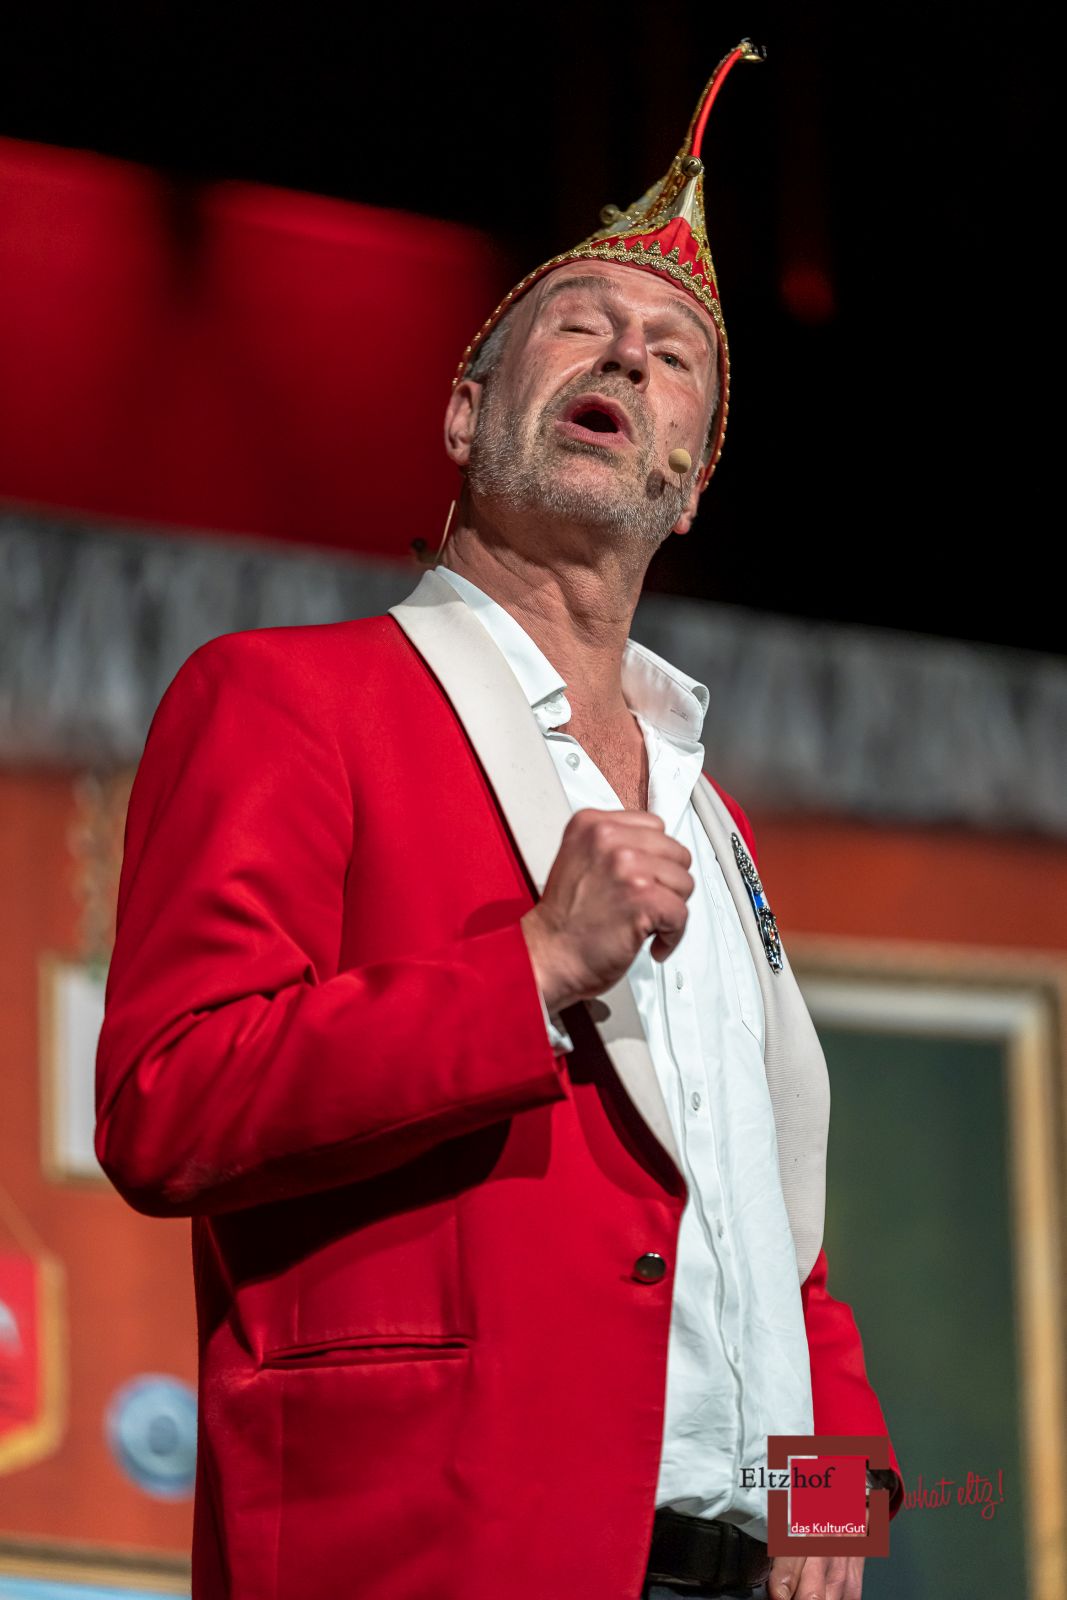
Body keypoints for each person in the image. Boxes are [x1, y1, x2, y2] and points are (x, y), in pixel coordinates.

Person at [95, 40, 902, 1600]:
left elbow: (763, 1215)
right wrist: (528, 967)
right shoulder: (286, 697)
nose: (629, 357)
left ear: (690, 486)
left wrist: (833, 1506)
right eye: (581, 326)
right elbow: (166, 1101)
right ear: (467, 415)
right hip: (441, 1548)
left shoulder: (710, 813)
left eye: (675, 357)